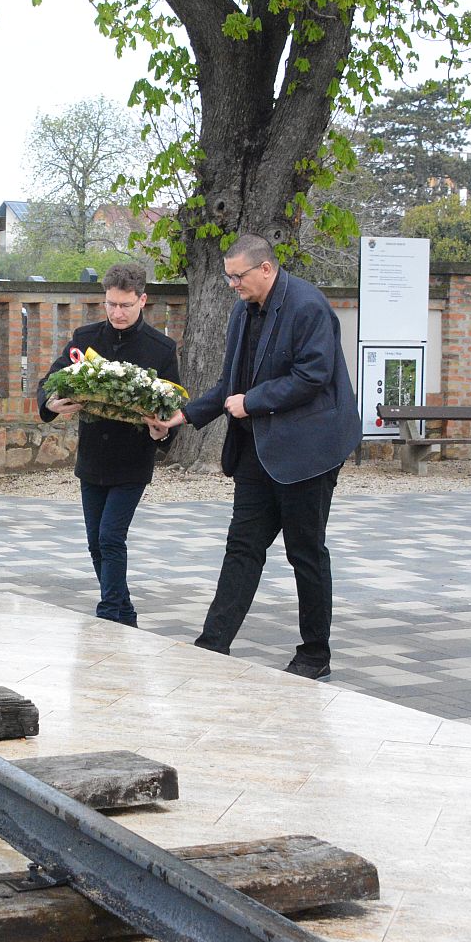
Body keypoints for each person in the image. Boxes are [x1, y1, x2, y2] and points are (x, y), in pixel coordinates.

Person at [149, 233, 361, 678]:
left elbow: (314, 375)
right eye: (228, 277)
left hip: (308, 452)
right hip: (256, 451)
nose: (232, 285)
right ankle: (212, 645)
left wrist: (253, 401)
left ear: (266, 268)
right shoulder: (242, 311)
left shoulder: (308, 306)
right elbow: (230, 385)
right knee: (242, 548)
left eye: (237, 276)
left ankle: (314, 656)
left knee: (305, 552)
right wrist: (180, 417)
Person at [39, 263, 180, 628]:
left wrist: (161, 431)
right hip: (93, 459)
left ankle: (108, 617)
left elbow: (172, 412)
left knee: (111, 537)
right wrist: (51, 402)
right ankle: (126, 615)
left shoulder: (162, 349)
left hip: (132, 461)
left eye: (125, 305)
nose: (117, 313)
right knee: (95, 543)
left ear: (142, 301)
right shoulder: (85, 338)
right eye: (111, 304)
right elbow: (50, 381)